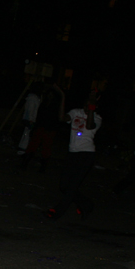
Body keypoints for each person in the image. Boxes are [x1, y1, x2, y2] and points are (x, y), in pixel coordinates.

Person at [46, 90, 102, 220]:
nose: (87, 108)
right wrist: (63, 96)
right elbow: (62, 118)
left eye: (90, 106)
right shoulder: (76, 112)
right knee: (64, 186)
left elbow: (89, 126)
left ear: (94, 107)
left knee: (72, 186)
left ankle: (57, 212)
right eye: (86, 105)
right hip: (73, 153)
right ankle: (87, 204)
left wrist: (92, 106)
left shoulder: (98, 119)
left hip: (86, 154)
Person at [18, 84, 64, 172]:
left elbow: (56, 119)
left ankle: (42, 167)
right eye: (49, 95)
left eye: (51, 95)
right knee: (33, 146)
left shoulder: (55, 106)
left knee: (45, 148)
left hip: (49, 129)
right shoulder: (43, 104)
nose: (50, 96)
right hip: (41, 127)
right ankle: (25, 163)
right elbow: (39, 117)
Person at [16, 83, 42, 155]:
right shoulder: (33, 98)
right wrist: (31, 120)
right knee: (26, 134)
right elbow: (30, 110)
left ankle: (24, 149)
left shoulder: (34, 98)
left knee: (27, 134)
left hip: (30, 119)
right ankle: (22, 149)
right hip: (30, 120)